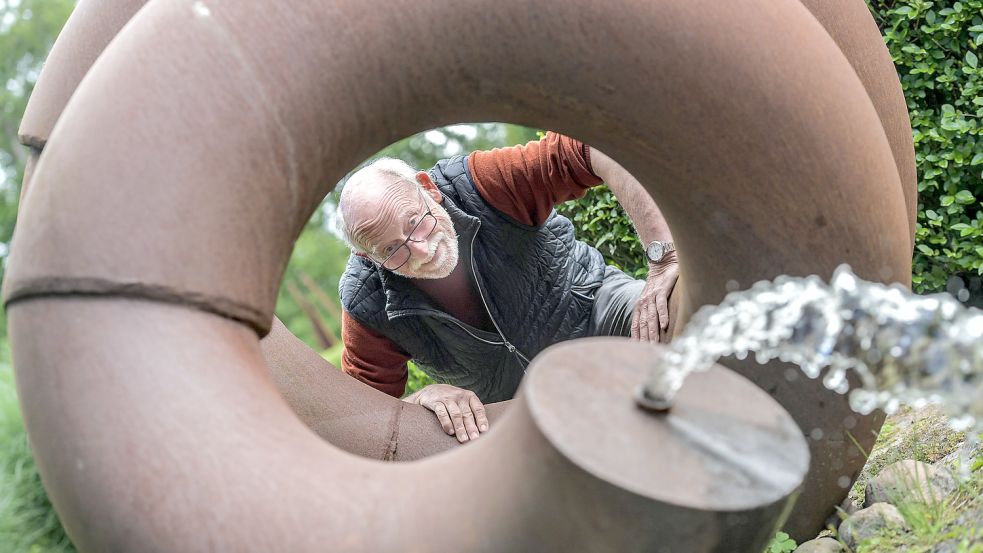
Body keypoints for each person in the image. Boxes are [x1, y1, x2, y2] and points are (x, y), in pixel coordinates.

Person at [337, 132, 677, 443]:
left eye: (415, 223)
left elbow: (595, 145)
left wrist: (662, 257)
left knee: (676, 318)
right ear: (367, 255)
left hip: (598, 311)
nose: (421, 251)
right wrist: (420, 398)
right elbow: (362, 416)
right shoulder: (366, 302)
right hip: (521, 407)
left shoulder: (479, 183)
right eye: (393, 250)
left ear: (429, 189)